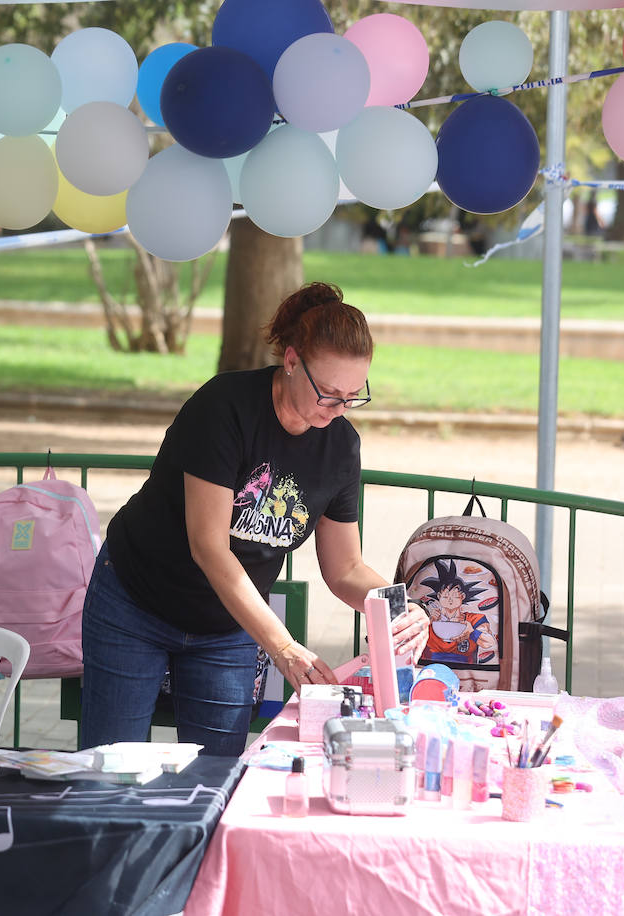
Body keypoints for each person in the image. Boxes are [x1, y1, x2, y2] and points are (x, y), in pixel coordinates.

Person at [79, 281, 431, 757]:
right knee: (107, 768)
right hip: (135, 602)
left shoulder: (341, 446)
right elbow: (209, 546)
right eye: (328, 393)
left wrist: (398, 608)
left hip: (227, 627)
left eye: (352, 396)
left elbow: (345, 568)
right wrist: (284, 647)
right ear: (290, 361)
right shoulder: (225, 408)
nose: (339, 409)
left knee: (216, 776)